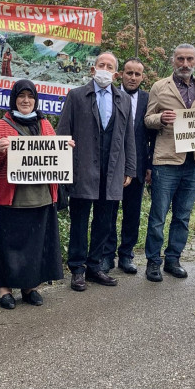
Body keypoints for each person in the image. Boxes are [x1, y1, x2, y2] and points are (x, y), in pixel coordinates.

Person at [56, 52, 136, 292]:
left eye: (109, 66)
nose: (104, 69)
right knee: (79, 221)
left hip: (112, 169)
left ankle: (95, 265)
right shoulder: (77, 96)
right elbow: (63, 133)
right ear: (93, 69)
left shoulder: (123, 99)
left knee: (104, 221)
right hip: (82, 167)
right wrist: (63, 167)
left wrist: (129, 168)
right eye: (101, 64)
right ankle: (77, 268)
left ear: (115, 74)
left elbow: (129, 137)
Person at [0, 80, 68, 308]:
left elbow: (56, 157)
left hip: (41, 196)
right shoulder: (0, 126)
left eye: (30, 97)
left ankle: (30, 286)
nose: (26, 100)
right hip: (12, 197)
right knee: (9, 243)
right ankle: (5, 289)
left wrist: (65, 148)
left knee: (35, 243)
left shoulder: (46, 125)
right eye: (21, 96)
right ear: (14, 98)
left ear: (36, 100)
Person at [144, 44, 195, 281]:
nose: (185, 64)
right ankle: (153, 262)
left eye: (189, 59)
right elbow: (147, 119)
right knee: (158, 214)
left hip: (194, 160)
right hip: (166, 159)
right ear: (173, 61)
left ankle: (173, 259)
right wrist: (161, 118)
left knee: (183, 215)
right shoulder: (160, 86)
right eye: (180, 59)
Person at [102, 58, 154, 275]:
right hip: (113, 164)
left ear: (143, 77)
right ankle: (106, 254)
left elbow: (152, 136)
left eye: (137, 74)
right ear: (121, 74)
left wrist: (149, 165)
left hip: (138, 165)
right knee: (109, 212)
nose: (133, 78)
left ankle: (126, 254)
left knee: (132, 213)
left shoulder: (147, 99)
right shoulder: (110, 96)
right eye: (129, 73)